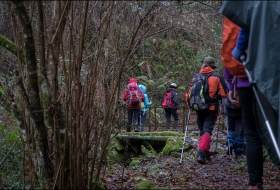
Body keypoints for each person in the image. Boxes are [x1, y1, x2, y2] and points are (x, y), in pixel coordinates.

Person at [224, 29, 264, 189]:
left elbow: (230, 53)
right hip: (271, 80)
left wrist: (230, 84)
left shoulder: (242, 17)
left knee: (252, 134)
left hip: (245, 84)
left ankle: (255, 182)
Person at [185, 56, 228, 164]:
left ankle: (206, 154)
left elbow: (188, 94)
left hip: (198, 107)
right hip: (211, 107)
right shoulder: (217, 76)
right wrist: (217, 97)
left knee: (203, 131)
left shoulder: (196, 77)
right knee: (207, 131)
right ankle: (201, 153)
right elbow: (225, 94)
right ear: (213, 66)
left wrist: (189, 105)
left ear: (203, 64)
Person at [223, 88, 245, 158]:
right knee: (240, 130)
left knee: (231, 128)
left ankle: (230, 143)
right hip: (240, 107)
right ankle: (238, 150)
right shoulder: (242, 80)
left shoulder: (228, 82)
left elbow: (223, 94)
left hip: (229, 106)